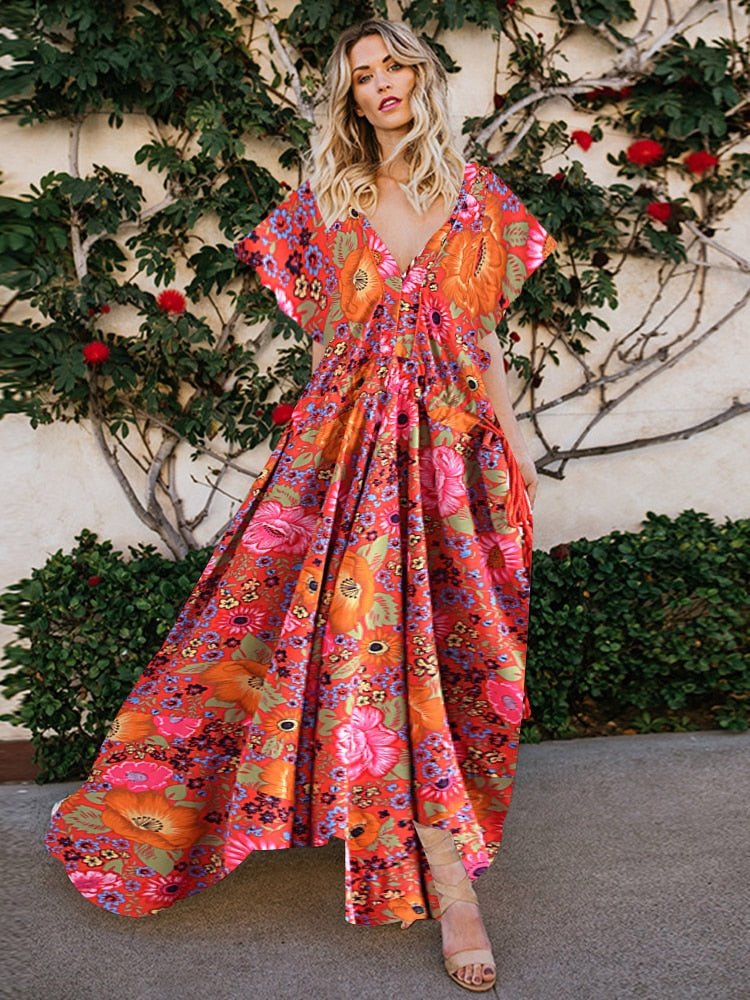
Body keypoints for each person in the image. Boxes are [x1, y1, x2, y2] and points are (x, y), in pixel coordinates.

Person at [45, 17, 556, 995]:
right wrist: (312, 476)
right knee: (344, 654)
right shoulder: (323, 202)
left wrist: (514, 453)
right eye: (362, 75)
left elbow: (486, 340)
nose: (381, 83)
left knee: (454, 663)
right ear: (349, 98)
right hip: (349, 463)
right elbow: (326, 350)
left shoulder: (482, 200)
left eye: (394, 65)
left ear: (421, 76)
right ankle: (453, 894)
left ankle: (420, 851)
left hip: (454, 467)